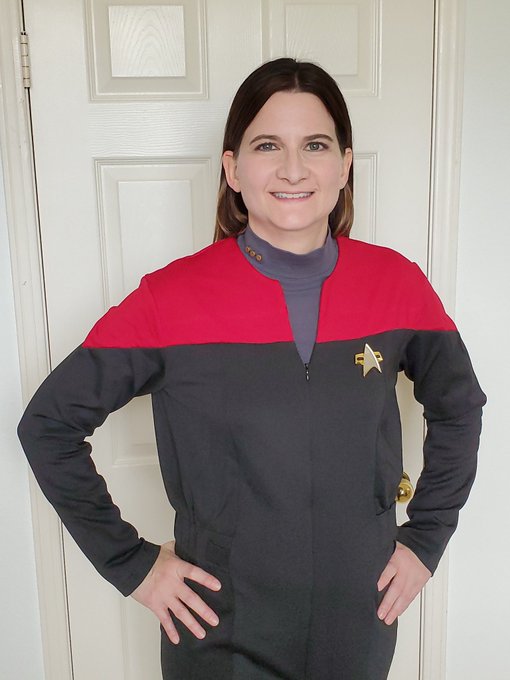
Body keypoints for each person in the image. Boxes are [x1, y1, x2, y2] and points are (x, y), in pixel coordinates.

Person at [17, 58, 486, 680]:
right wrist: (132, 565)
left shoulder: (396, 285)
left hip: (360, 621)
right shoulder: (170, 299)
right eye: (268, 146)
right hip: (220, 630)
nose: (293, 169)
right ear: (233, 168)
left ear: (344, 165)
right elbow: (48, 425)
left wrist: (426, 539)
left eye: (315, 145)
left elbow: (459, 406)